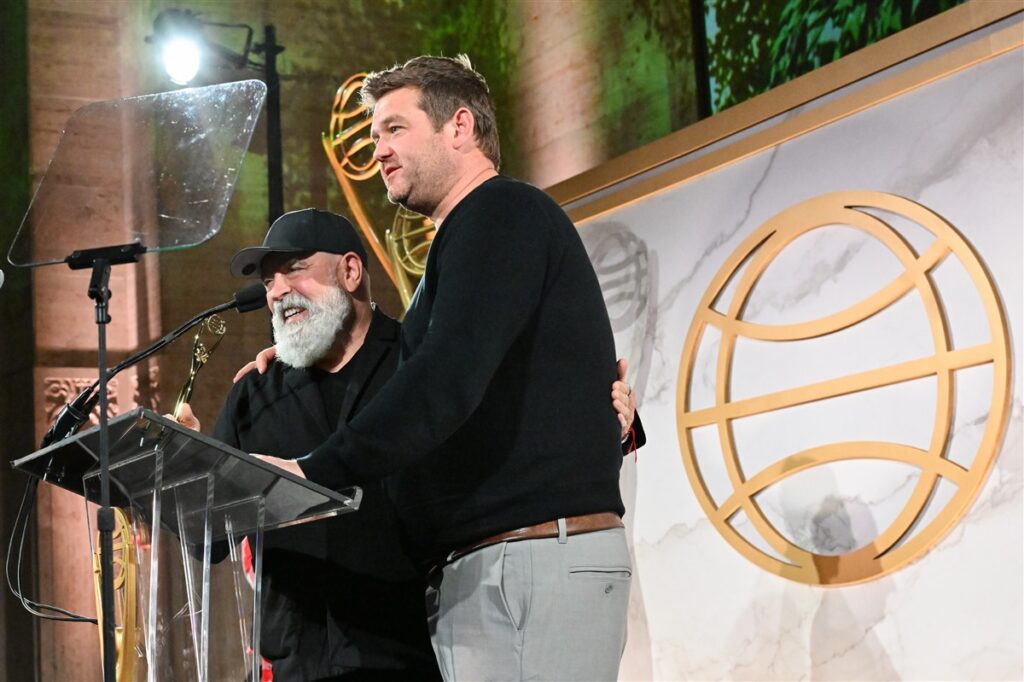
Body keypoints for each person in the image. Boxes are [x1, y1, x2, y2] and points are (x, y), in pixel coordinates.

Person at [254, 55, 644, 681]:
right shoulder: (475, 237)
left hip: (527, 561)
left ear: (459, 126)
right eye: (375, 134)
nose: (379, 149)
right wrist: (305, 352)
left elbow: (441, 383)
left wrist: (310, 472)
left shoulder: (499, 212)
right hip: (505, 569)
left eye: (395, 128)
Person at [180, 207, 641, 680]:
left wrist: (611, 418)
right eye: (268, 281)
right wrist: (189, 467)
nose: (277, 291)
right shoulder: (254, 396)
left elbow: (514, 437)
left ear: (350, 271)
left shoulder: (423, 370)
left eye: (294, 269)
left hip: (420, 657)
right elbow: (207, 541)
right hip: (294, 668)